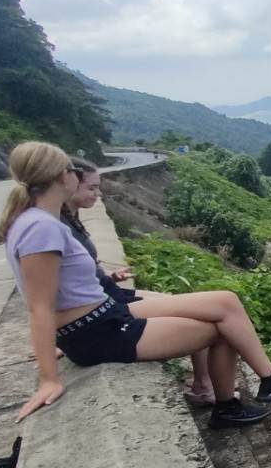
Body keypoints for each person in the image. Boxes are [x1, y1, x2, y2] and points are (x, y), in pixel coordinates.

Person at [0, 141, 271, 427]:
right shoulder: (41, 228)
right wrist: (48, 378)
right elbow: (39, 307)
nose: (76, 177)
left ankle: (261, 386)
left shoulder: (38, 221)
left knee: (225, 304)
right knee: (223, 327)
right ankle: (235, 401)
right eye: (71, 171)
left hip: (103, 318)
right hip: (96, 330)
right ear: (60, 176)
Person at [60, 157, 223, 406]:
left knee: (186, 304)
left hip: (105, 295)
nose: (98, 193)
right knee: (204, 316)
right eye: (91, 187)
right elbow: (44, 294)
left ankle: (203, 383)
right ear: (69, 184)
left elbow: (80, 272)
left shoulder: (70, 219)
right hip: (105, 306)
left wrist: (110, 276)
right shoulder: (55, 228)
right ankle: (205, 386)